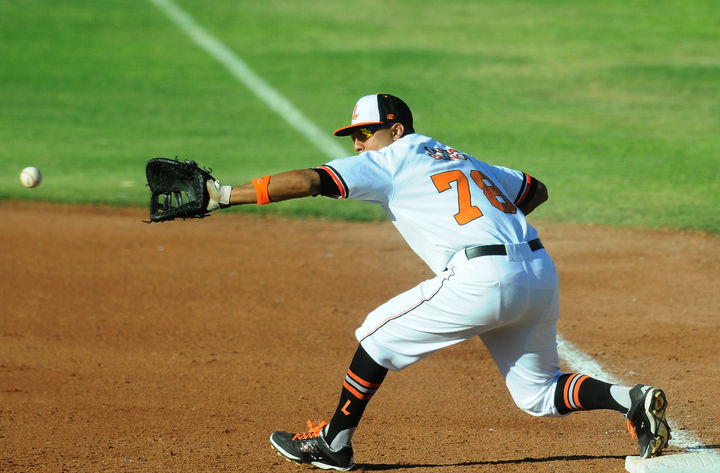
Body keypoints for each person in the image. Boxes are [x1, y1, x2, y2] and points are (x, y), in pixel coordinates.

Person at [205, 93, 671, 471]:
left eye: (365, 133)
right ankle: (629, 398)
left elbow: (310, 181)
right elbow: (535, 188)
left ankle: (334, 443)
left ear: (396, 130)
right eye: (353, 137)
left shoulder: (391, 159)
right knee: (538, 393)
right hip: (538, 271)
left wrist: (226, 196)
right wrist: (491, 223)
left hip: (482, 278)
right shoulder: (460, 158)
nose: (359, 145)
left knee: (375, 336)